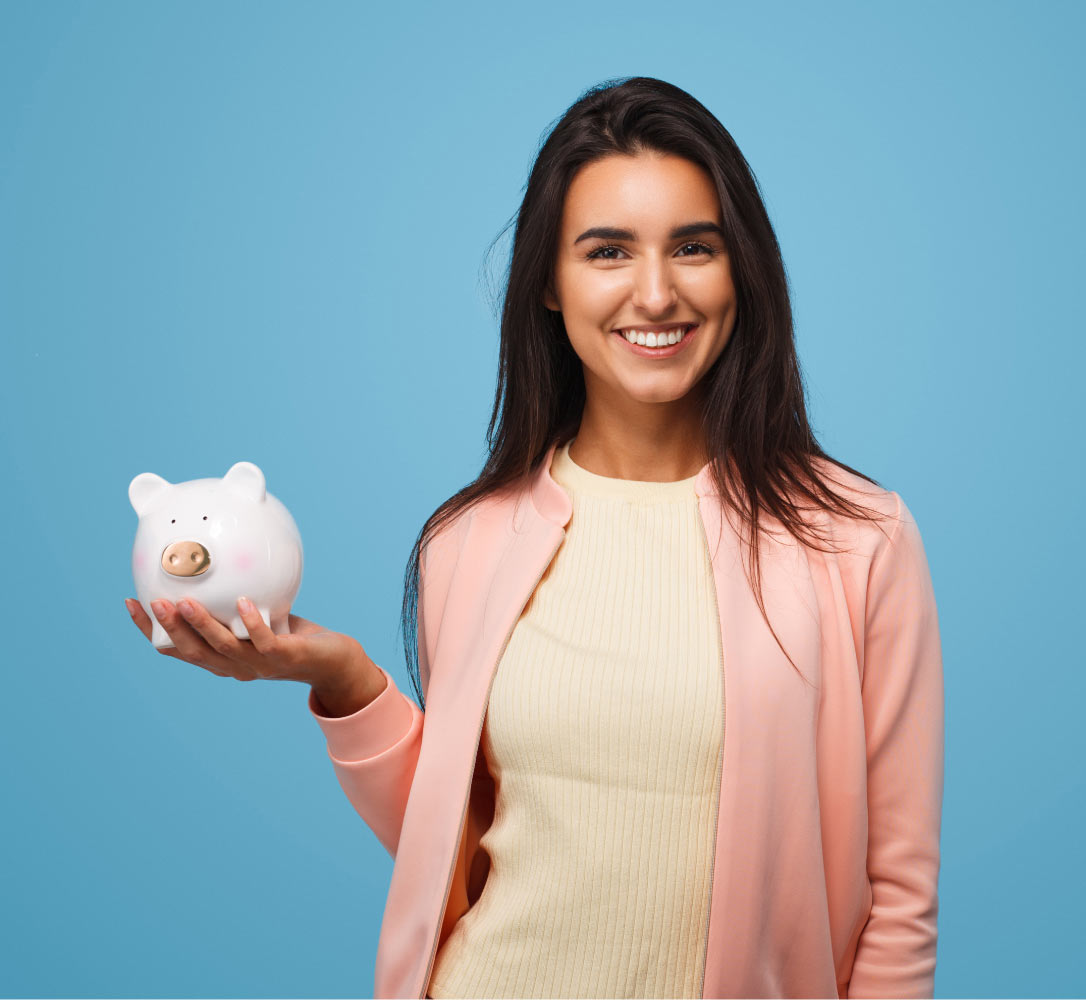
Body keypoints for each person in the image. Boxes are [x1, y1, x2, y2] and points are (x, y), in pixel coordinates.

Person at [126, 76, 944, 1000]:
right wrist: (346, 683)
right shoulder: (468, 543)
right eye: (607, 251)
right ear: (549, 285)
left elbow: (900, 900)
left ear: (740, 269)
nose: (656, 291)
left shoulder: (857, 541)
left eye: (694, 247)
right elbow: (462, 855)